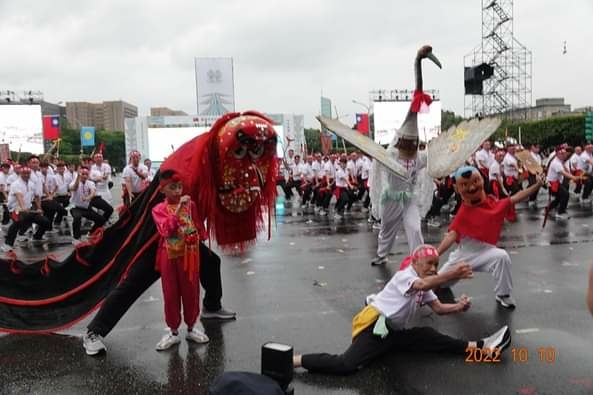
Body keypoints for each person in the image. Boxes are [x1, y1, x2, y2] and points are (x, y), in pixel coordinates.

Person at [293, 244, 511, 375]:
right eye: (429, 264)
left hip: (393, 333)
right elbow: (423, 285)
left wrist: (459, 306)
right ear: (415, 263)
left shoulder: (423, 279)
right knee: (346, 365)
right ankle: (295, 360)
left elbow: (439, 308)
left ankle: (481, 347)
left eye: (436, 264)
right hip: (374, 328)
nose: (433, 268)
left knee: (428, 335)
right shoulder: (405, 276)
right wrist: (451, 274)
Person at [436, 166, 544, 309]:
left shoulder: (493, 203)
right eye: (465, 185)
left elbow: (516, 198)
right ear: (457, 189)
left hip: (486, 252)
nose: (472, 187)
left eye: (475, 181)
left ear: (482, 180)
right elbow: (452, 235)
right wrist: (435, 255)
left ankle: (503, 294)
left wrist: (537, 185)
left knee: (502, 257)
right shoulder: (463, 212)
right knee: (437, 284)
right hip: (463, 256)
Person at [151, 170, 209, 350]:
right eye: (172, 188)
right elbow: (166, 230)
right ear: (163, 190)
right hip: (169, 256)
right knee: (170, 293)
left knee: (191, 290)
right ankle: (173, 331)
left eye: (179, 187)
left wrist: (199, 237)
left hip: (190, 255)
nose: (177, 191)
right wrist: (177, 210)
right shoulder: (158, 209)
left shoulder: (190, 205)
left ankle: (192, 328)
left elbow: (198, 225)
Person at [1, 166, 51, 252]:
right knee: (18, 222)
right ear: (20, 174)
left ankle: (37, 237)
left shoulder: (32, 184)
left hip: (28, 209)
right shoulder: (16, 184)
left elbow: (37, 196)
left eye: (28, 173)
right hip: (15, 209)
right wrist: (23, 207)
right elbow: (19, 196)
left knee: (45, 222)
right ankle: (8, 244)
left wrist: (39, 208)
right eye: (24, 173)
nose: (26, 175)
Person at [69, 166, 109, 245]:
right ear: (80, 174)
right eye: (82, 174)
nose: (84, 176)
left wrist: (88, 198)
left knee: (101, 220)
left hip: (86, 207)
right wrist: (78, 178)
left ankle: (91, 233)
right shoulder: (74, 182)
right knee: (77, 217)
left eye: (86, 174)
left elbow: (93, 192)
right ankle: (76, 238)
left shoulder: (90, 183)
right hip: (75, 207)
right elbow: (73, 188)